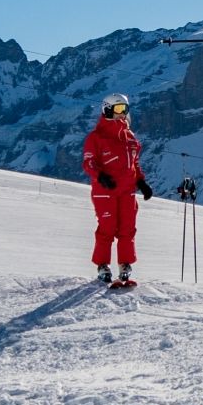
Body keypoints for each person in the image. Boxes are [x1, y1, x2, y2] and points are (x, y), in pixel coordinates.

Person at [81, 92, 153, 289]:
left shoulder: (130, 138)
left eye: (125, 109)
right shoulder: (96, 137)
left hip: (127, 191)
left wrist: (141, 182)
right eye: (119, 109)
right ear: (107, 109)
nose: (123, 114)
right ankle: (103, 266)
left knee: (127, 229)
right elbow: (88, 162)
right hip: (106, 191)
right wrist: (100, 176)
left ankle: (125, 265)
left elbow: (134, 165)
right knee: (107, 228)